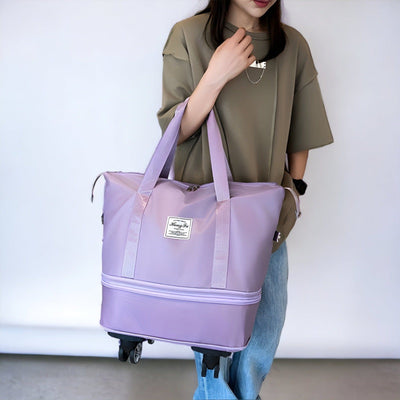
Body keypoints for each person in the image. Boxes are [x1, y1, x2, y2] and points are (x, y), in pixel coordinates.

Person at [157, 0, 333, 399]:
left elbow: (302, 128)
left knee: (263, 335)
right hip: (206, 218)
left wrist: (295, 190)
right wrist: (215, 75)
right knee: (214, 343)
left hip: (268, 219)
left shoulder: (292, 46)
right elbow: (174, 133)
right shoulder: (188, 36)